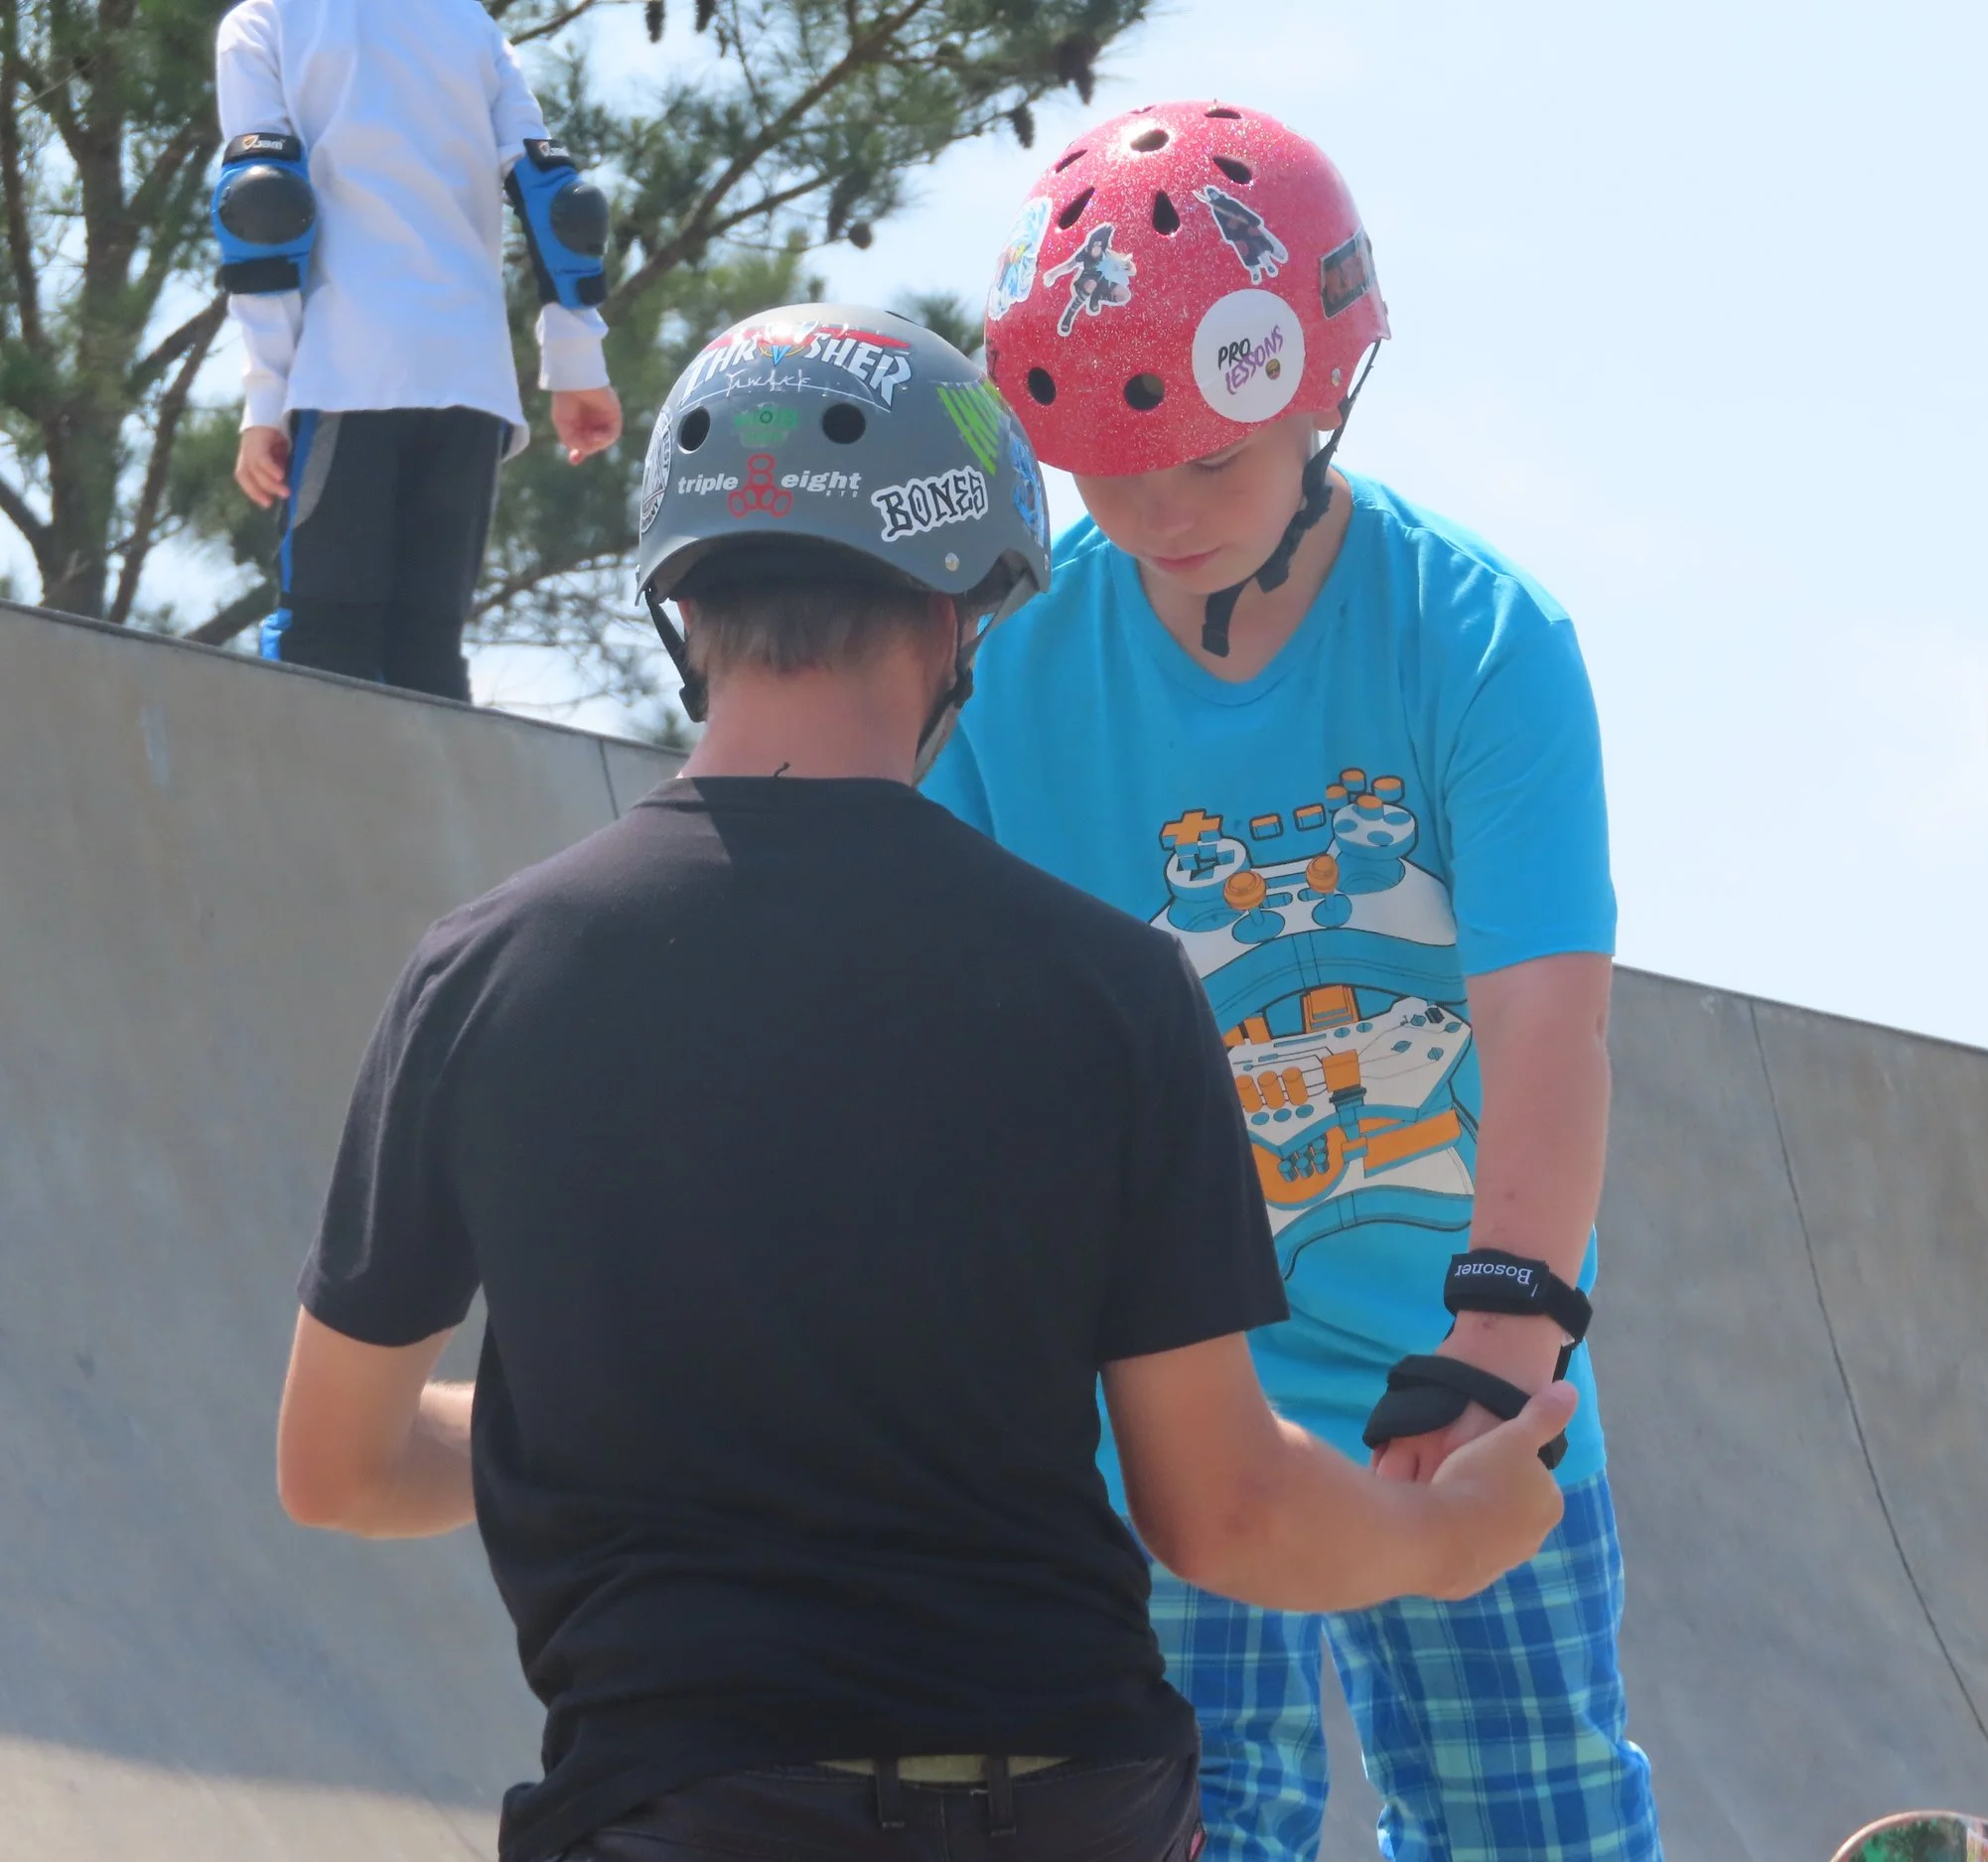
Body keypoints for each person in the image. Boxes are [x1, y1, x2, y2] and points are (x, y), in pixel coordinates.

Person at [273, 304, 1577, 1862]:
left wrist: (631, 1414)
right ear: (966, 612)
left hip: (687, 1808)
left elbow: (336, 1462)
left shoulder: (485, 974)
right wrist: (1445, 1534)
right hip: (1063, 1806)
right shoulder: (1112, 988)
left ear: (681, 606)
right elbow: (1221, 1508)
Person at [925, 104, 1663, 1862]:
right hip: (1168, 1408)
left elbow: (1548, 1027)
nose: (1163, 518)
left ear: (1319, 404)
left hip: (1459, 1369)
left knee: (1534, 1824)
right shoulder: (1014, 668)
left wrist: (1500, 1340)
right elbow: (924, 1018)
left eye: (1212, 467)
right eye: (1116, 475)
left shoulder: (1478, 638)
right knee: (1198, 1824)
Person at [213, 0, 624, 701]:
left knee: (324, 646)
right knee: (427, 656)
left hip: (350, 372)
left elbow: (264, 206)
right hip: (473, 389)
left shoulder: (264, 22)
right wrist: (578, 365)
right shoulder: (470, 25)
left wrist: (266, 399)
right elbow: (561, 201)